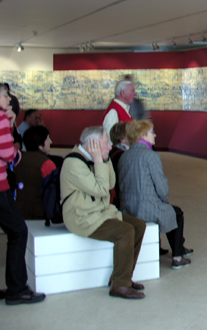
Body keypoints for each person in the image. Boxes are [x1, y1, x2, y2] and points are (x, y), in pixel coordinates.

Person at [60, 126, 146, 299]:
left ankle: (122, 276)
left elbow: (110, 183)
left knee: (138, 226)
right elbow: (101, 189)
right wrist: (99, 160)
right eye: (106, 143)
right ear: (93, 144)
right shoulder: (73, 163)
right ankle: (120, 285)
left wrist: (104, 159)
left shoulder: (95, 158)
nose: (110, 146)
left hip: (101, 211)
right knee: (125, 231)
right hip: (83, 216)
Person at [118, 120, 193, 269]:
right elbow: (162, 188)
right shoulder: (150, 156)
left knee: (171, 211)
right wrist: (164, 200)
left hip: (127, 208)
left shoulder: (125, 155)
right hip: (145, 209)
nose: (155, 135)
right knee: (176, 213)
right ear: (143, 135)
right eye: (152, 132)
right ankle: (178, 256)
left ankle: (178, 248)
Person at [0, 82, 46, 305]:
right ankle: (17, 289)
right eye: (5, 95)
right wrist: (17, 153)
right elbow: (8, 153)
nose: (9, 99)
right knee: (18, 232)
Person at [13, 126, 56, 220]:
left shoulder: (17, 160)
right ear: (40, 145)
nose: (50, 142)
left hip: (18, 210)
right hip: (40, 213)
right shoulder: (47, 163)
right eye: (48, 139)